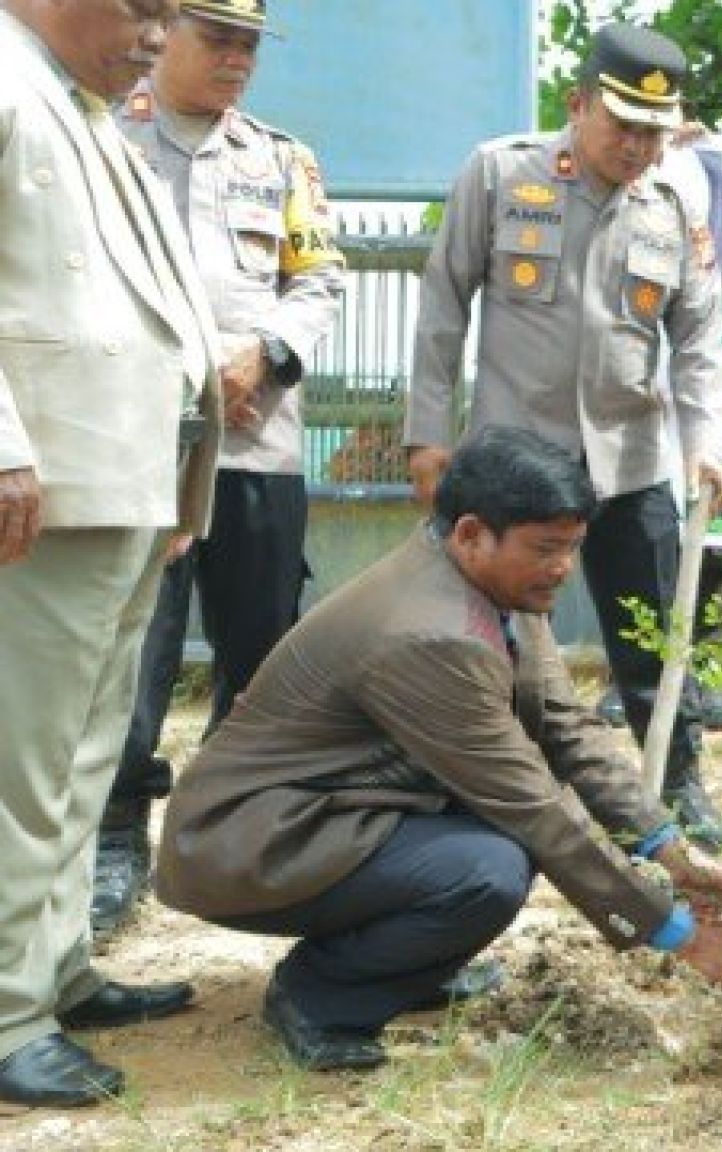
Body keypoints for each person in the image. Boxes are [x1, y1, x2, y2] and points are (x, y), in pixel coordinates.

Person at [154, 428, 722, 1072]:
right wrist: (681, 935)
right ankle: (319, 996)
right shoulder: (431, 634)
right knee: (486, 870)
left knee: (493, 846)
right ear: (470, 534)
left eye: (573, 547)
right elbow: (534, 806)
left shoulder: (497, 584)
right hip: (252, 842)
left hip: (333, 812)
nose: (564, 568)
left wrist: (667, 849)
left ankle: (407, 966)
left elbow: (567, 729)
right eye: (546, 549)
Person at [405, 22, 722, 845]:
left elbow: (699, 340)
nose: (637, 147)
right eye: (623, 125)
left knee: (651, 637)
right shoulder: (500, 173)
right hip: (514, 462)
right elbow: (443, 304)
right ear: (578, 103)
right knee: (493, 639)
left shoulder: (674, 205)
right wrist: (427, 436)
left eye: (654, 133)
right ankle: (492, 786)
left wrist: (706, 446)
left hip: (630, 458)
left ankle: (677, 783)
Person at [0, 0, 223, 1110]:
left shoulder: (76, 102)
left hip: (113, 483)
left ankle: (54, 970)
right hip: (43, 483)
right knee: (22, 766)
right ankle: (5, 1014)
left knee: (88, 754)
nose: (155, 33)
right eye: (141, 5)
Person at [89, 0, 345, 940]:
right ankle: (116, 838)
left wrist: (264, 353)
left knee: (263, 648)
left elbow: (319, 280)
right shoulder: (104, 135)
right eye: (219, 39)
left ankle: (235, 827)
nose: (239, 60)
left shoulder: (280, 161)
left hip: (255, 446)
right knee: (135, 654)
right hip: (137, 448)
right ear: (168, 33)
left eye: (250, 45)